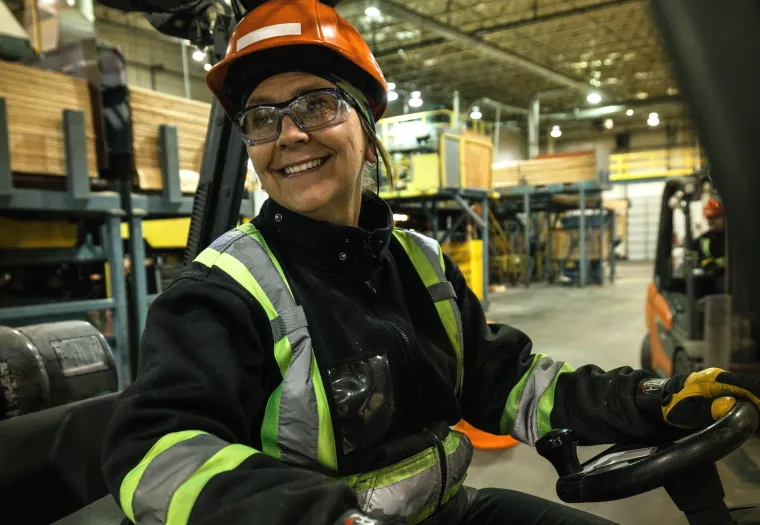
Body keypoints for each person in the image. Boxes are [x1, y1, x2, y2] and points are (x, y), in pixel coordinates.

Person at [101, 1, 760, 524]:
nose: (291, 134)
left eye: (315, 105)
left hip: (450, 510)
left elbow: (509, 381)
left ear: (367, 128)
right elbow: (153, 451)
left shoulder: (420, 265)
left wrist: (649, 399)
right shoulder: (222, 292)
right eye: (263, 118)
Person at [697, 197, 726, 293]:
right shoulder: (704, 238)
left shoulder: (730, 237)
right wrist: (706, 264)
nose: (712, 221)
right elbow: (699, 258)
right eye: (709, 218)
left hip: (730, 275)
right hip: (712, 276)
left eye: (716, 217)